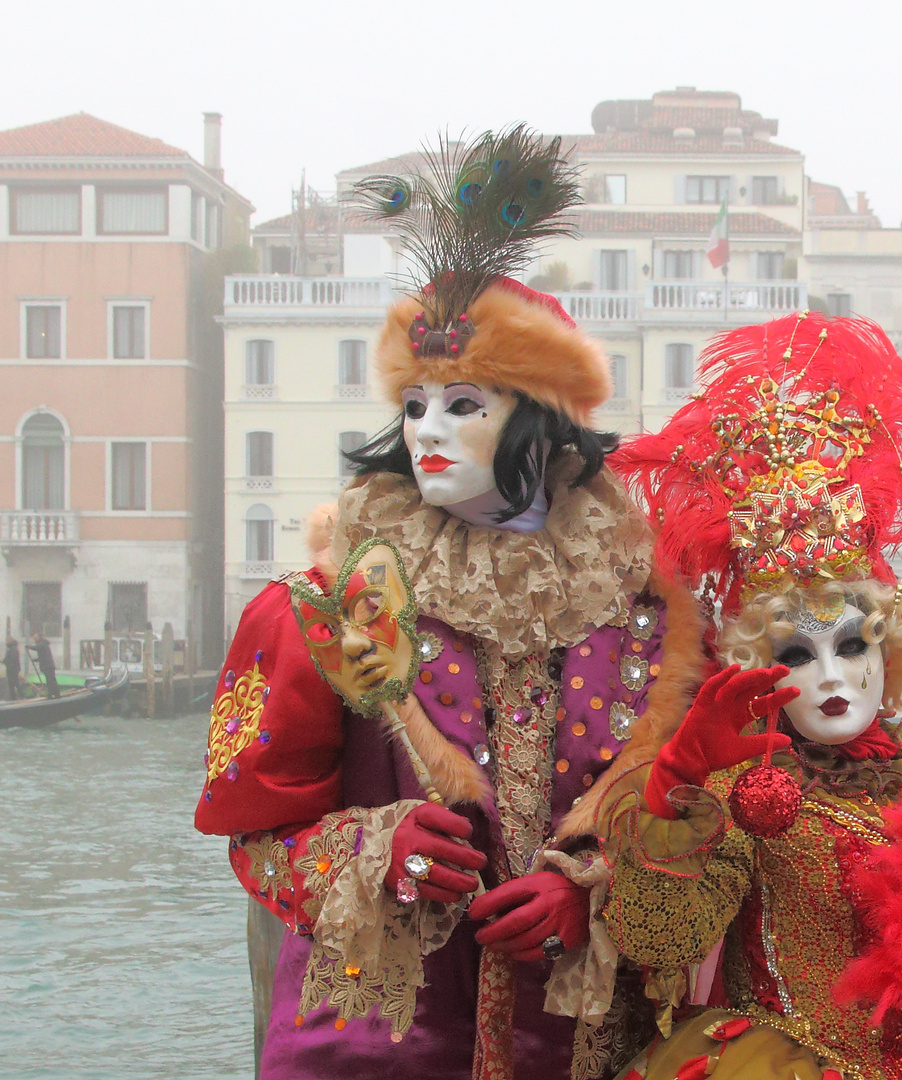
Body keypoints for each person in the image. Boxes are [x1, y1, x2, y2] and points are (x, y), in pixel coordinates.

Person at [193, 127, 696, 1080]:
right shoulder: (317, 608)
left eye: (466, 405)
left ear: (545, 424)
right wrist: (371, 849)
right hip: (373, 1052)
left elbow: (704, 834)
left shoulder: (658, 622)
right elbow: (255, 841)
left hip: (587, 1051)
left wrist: (598, 900)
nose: (427, 431)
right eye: (415, 403)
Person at [596, 312, 902, 1080]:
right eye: (798, 656)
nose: (833, 677)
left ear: (890, 650)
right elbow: (659, 939)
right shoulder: (750, 791)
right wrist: (677, 783)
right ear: (758, 667)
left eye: (851, 646)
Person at [31, 632, 59, 698]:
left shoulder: (42, 644)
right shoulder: (43, 645)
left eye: (35, 639)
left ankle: (53, 694)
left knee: (50, 681)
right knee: (50, 680)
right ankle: (54, 693)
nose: (34, 641)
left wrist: (28, 646)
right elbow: (43, 656)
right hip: (48, 665)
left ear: (38, 638)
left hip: (48, 666)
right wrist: (35, 660)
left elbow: (36, 648)